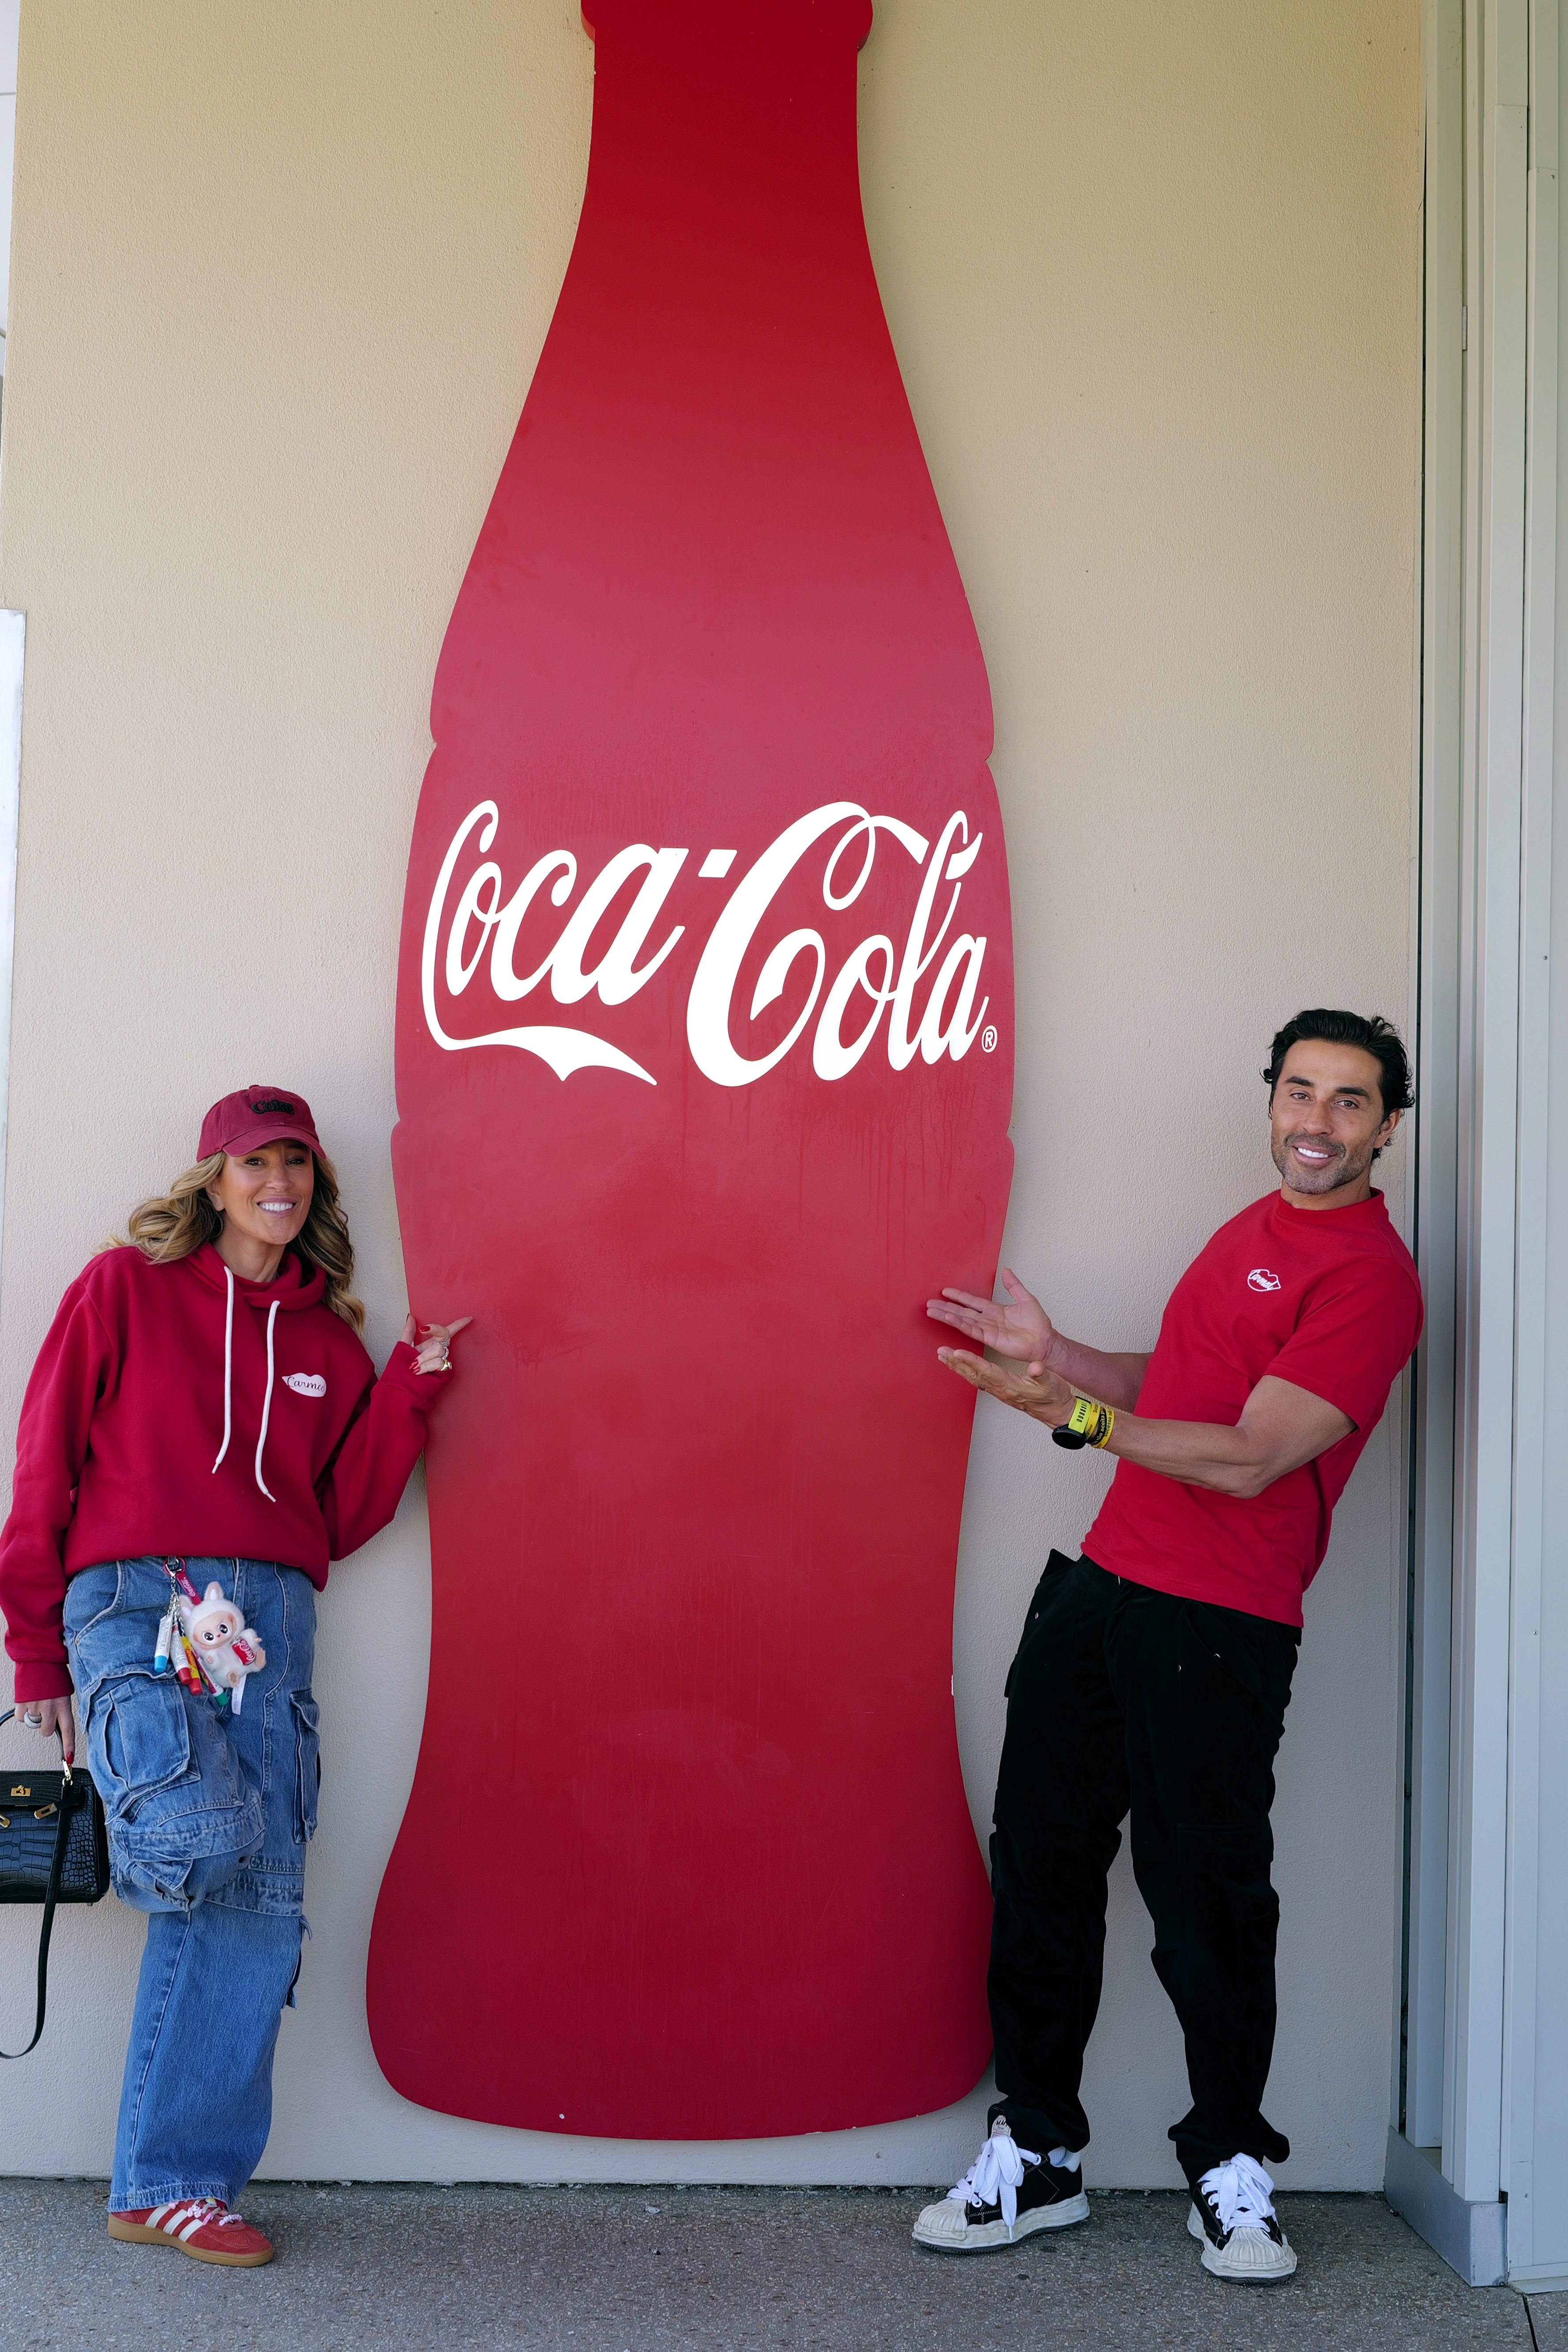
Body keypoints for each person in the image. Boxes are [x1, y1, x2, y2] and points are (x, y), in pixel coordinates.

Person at [912, 1010, 1422, 2284]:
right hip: (1100, 1594)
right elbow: (1184, 1392)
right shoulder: (1248, 1232)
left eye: (1349, 1101)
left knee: (1207, 1906)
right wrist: (1060, 1358)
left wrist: (1071, 1416)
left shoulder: (1370, 1277)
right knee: (1040, 1877)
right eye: (1299, 1091)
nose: (1317, 1122)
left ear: (1387, 1129)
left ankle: (1231, 2168)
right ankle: (1039, 2153)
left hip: (1220, 1623)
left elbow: (1251, 1457)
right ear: (1272, 1100)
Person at [0, 1086, 467, 2268]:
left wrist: (411, 1384)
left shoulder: (325, 1343)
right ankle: (162, 2169)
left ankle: (172, 2188)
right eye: (256, 1162)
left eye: (298, 1163)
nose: (280, 1182)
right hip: (137, 1599)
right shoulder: (123, 1290)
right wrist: (35, 1646)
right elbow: (45, 1462)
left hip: (271, 1621)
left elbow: (344, 1515)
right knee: (203, 1842)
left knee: (259, 1903)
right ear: (213, 1182)